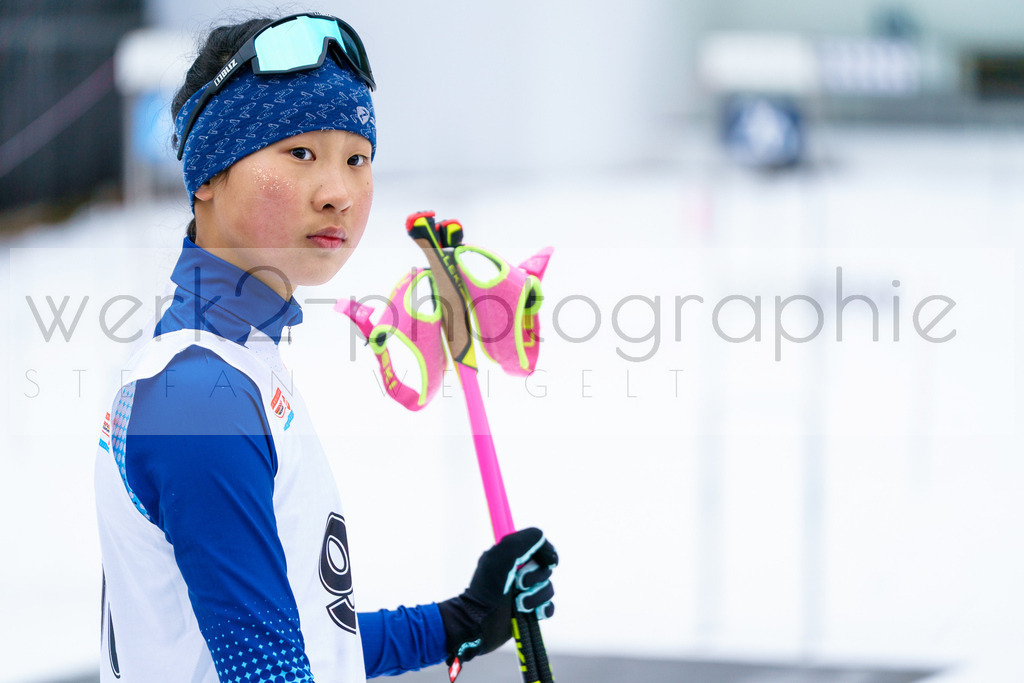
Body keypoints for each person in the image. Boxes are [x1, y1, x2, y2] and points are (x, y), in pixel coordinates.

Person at [93, 12, 557, 682]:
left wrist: (460, 620)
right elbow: (271, 671)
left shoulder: (235, 362)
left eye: (357, 159)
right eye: (300, 153)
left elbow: (299, 639)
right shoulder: (197, 397)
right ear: (208, 177)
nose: (338, 193)